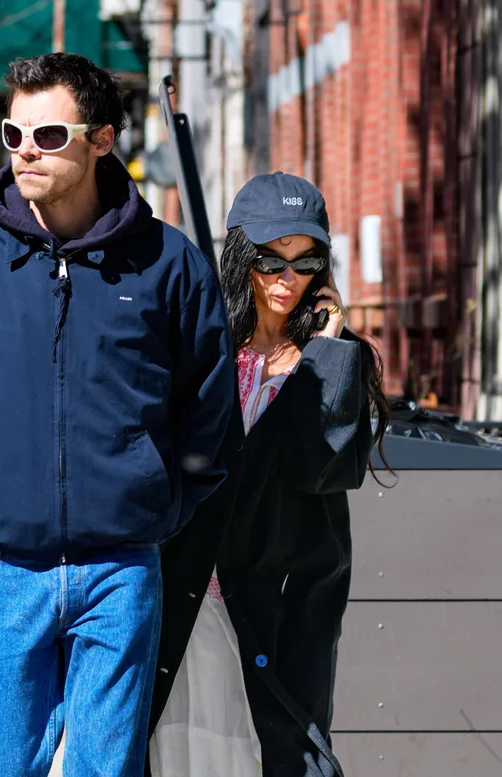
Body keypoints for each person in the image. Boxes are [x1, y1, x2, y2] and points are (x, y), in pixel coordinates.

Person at [0, 53, 235, 777]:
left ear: (102, 139)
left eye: (49, 136)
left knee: (106, 769)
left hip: (121, 569)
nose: (26, 151)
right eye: (13, 134)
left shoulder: (169, 265)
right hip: (4, 566)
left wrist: (159, 508)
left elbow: (210, 412)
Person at [148, 173, 390, 777]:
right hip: (193, 594)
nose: (289, 280)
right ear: (238, 257)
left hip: (280, 598)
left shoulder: (334, 359)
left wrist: (327, 352)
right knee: (183, 753)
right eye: (269, 260)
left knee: (280, 754)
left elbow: (323, 466)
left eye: (306, 261)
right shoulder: (204, 348)